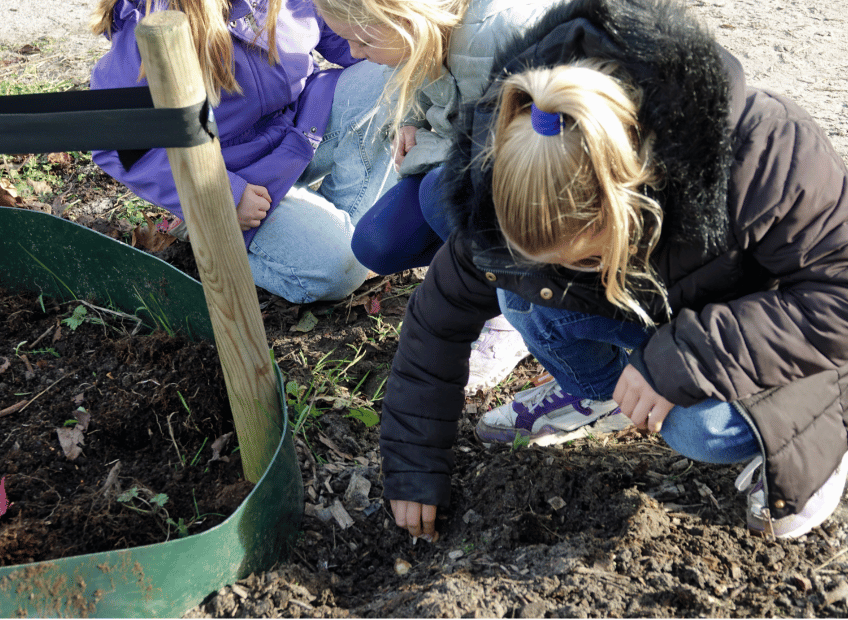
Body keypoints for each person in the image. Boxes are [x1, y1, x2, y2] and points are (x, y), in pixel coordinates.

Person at [379, 0, 848, 542]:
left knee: (700, 429)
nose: (573, 268)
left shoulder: (761, 150)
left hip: (785, 340)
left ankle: (824, 439)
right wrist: (413, 468)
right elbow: (437, 320)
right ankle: (605, 399)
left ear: (628, 198)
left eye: (586, 255)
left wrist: (682, 361)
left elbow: (835, 299)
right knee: (523, 295)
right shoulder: (510, 172)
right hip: (665, 311)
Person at [313, 0, 560, 393]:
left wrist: (438, 152)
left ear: (403, 18)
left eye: (362, 40)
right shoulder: (422, 34)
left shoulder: (498, 32)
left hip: (540, 183)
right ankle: (480, 280)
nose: (355, 53)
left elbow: (542, 140)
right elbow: (426, 85)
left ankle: (522, 307)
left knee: (441, 193)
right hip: (467, 152)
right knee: (377, 242)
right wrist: (412, 119)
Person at [89, 0, 398, 304]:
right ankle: (225, 244)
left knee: (392, 79)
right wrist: (221, 195)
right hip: (242, 179)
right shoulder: (154, 23)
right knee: (337, 271)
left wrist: (400, 41)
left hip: (303, 127)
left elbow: (352, 42)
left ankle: (336, 235)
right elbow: (116, 145)